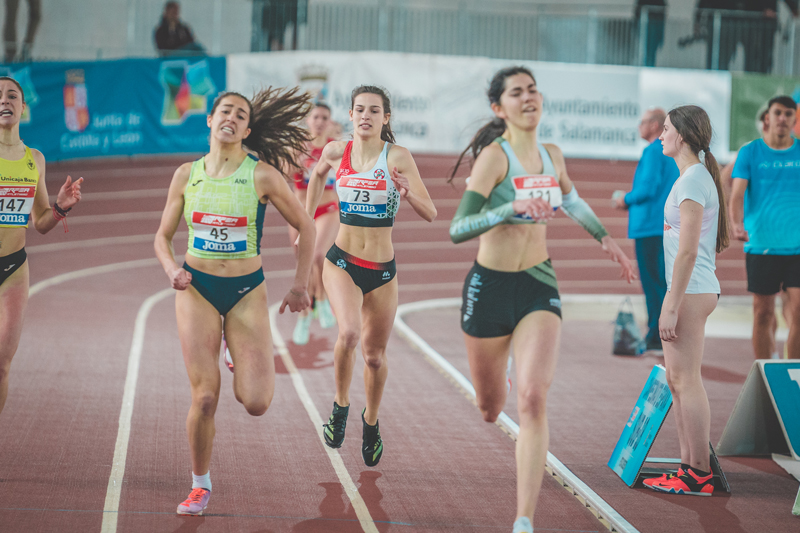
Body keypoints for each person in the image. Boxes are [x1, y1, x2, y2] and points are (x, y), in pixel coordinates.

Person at [448, 66, 635, 532]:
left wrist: (605, 239)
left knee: (533, 398)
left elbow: (571, 201)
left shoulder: (552, 155)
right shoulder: (495, 158)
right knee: (491, 409)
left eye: (533, 89)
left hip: (538, 284)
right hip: (489, 288)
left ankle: (524, 520)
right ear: (499, 107)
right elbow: (458, 228)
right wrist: (509, 207)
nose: (528, 97)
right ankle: (505, 376)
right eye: (517, 92)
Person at [154, 87, 316, 515]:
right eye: (224, 110)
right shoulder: (186, 174)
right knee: (205, 396)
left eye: (240, 114)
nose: (231, 117)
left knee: (257, 402)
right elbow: (162, 237)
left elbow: (307, 226)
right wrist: (171, 270)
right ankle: (200, 485)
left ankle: (231, 343)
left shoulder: (261, 175)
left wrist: (300, 285)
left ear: (247, 130)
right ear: (210, 120)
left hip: (246, 293)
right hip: (198, 291)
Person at [305, 85, 437, 467]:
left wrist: (408, 192)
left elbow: (430, 212)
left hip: (381, 271)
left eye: (374, 110)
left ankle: (371, 422)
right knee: (348, 333)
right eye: (359, 109)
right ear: (350, 115)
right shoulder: (336, 151)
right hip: (342, 262)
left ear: (385, 117)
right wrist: (307, 221)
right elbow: (317, 176)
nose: (365, 116)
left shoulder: (397, 156)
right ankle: (340, 406)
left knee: (375, 357)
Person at [646, 105, 729, 496]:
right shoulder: (692, 177)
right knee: (677, 381)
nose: (660, 135)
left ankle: (698, 473)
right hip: (691, 289)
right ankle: (688, 468)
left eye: (665, 129)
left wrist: (671, 304)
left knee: (686, 380)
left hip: (691, 291)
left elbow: (688, 251)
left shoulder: (694, 179)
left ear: (681, 134)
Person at [0, 76, 83, 416]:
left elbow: (41, 223)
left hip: (13, 270)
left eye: (12, 96)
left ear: (23, 107)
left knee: (2, 365)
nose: (4, 100)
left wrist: (61, 207)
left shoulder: (35, 159)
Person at [730, 95, 800, 360]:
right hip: (762, 245)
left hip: (797, 247)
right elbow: (737, 194)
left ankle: (793, 373)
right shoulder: (750, 152)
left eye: (788, 114)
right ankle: (764, 369)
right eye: (778, 112)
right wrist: (736, 223)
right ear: (767, 117)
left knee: (798, 313)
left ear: (794, 118)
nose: (782, 118)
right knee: (763, 312)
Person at [613, 108, 678, 352]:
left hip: (650, 227)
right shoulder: (669, 153)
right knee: (662, 282)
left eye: (641, 122)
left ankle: (656, 336)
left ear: (654, 125)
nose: (638, 126)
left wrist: (624, 199)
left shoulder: (653, 151)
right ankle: (661, 334)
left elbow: (647, 189)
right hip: (664, 225)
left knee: (653, 284)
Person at [289, 102, 339, 345]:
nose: (319, 121)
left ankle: (323, 299)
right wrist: (296, 161)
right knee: (304, 263)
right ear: (308, 120)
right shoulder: (297, 146)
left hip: (328, 208)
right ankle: (305, 316)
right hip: (300, 212)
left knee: (319, 255)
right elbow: (284, 173)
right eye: (316, 117)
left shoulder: (335, 148)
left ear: (330, 122)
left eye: (324, 117)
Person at [636, 0, 666, 67]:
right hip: (647, 24)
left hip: (654, 24)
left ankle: (649, 66)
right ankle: (647, 66)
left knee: (651, 50)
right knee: (646, 50)